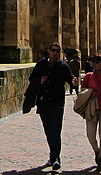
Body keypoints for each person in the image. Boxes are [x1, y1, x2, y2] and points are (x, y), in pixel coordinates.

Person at [28, 42, 77, 170]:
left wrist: (74, 83)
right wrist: (40, 81)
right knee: (48, 131)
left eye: (57, 51)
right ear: (49, 51)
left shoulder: (63, 66)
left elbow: (71, 81)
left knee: (56, 130)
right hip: (44, 102)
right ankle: (52, 155)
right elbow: (32, 79)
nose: (55, 53)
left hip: (57, 103)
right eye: (53, 50)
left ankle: (56, 158)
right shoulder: (41, 64)